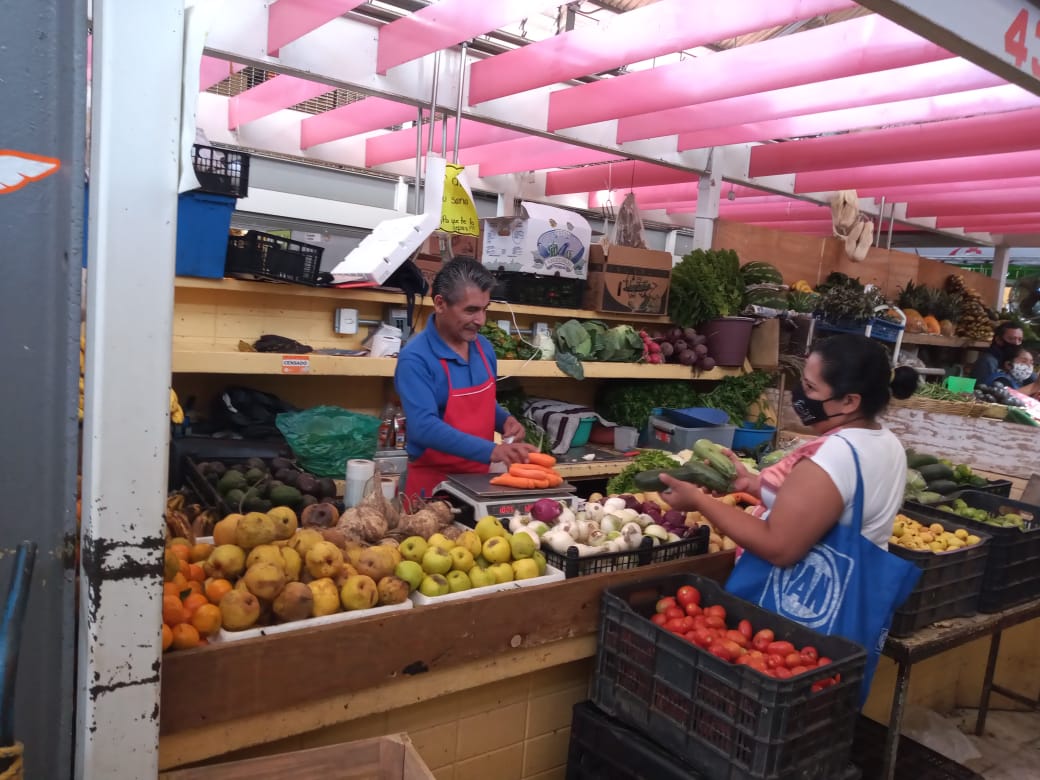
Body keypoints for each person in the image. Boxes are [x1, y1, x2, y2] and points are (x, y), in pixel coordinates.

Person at [659, 335, 922, 699]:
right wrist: (748, 484)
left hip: (799, 627)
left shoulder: (836, 457)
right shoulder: (885, 443)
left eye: (811, 387)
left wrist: (701, 503)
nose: (800, 394)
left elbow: (779, 546)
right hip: (846, 613)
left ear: (849, 400)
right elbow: (822, 508)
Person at [394, 257, 535, 498]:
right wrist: (493, 451)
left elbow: (478, 401)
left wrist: (503, 420)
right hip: (433, 489)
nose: (480, 320)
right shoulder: (415, 359)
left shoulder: (483, 348)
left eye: (484, 309)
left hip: (480, 483)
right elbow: (423, 428)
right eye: (471, 310)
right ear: (440, 304)